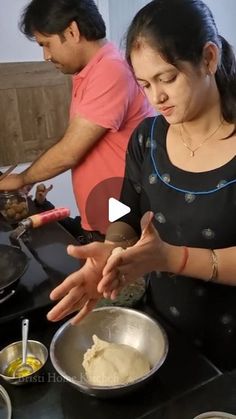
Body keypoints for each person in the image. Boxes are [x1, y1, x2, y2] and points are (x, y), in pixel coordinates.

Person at [47, 0, 236, 370]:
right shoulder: (147, 136)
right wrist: (113, 248)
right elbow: (125, 206)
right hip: (163, 328)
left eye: (167, 78)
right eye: (144, 84)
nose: (156, 97)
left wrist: (173, 258)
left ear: (209, 59)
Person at [0, 0, 153, 242]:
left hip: (122, 225)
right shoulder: (90, 72)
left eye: (46, 44)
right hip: (103, 218)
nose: (46, 56)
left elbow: (70, 150)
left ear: (72, 31)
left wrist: (23, 178)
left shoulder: (110, 70)